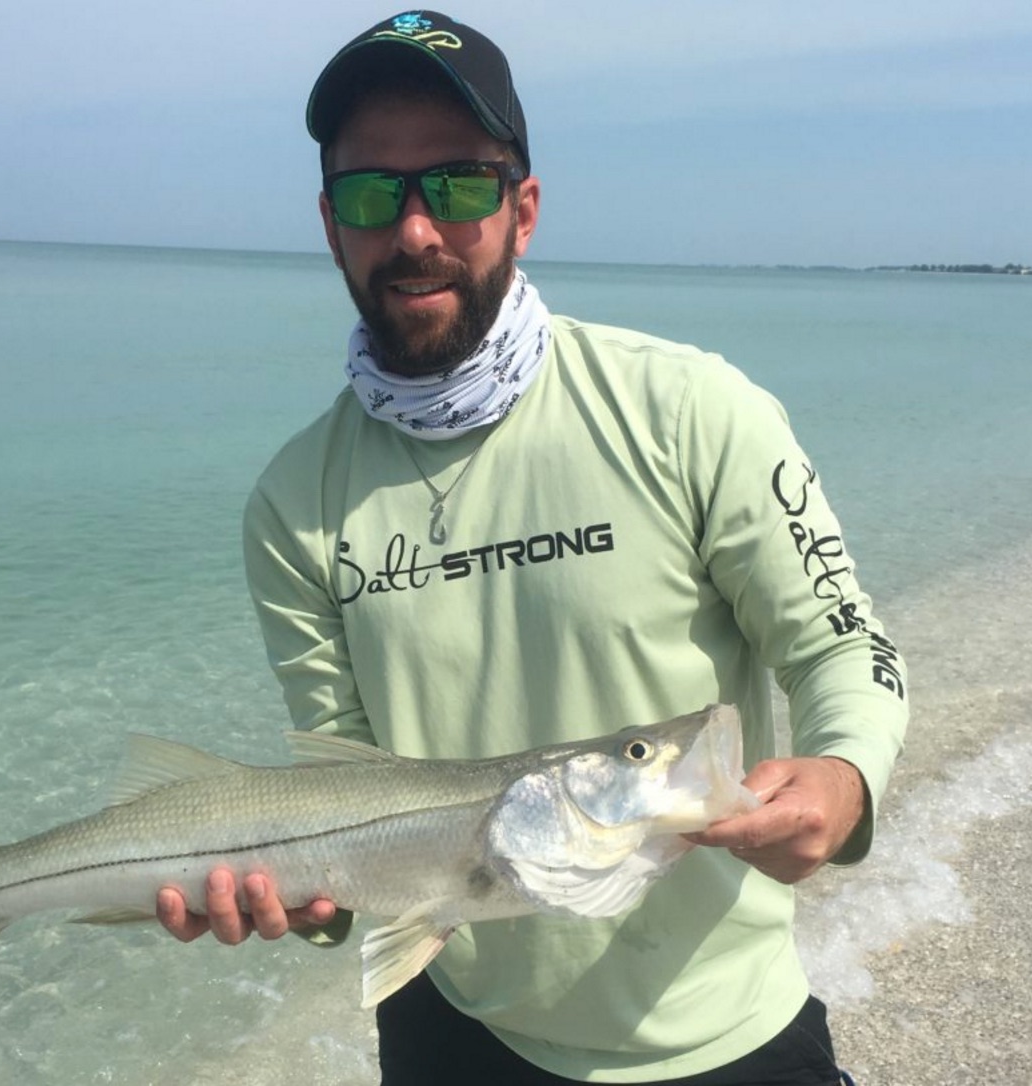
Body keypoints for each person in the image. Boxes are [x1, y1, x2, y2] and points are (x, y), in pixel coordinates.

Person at [157, 10, 907, 1084]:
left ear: (524, 209)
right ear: (331, 226)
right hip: (451, 1027)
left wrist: (841, 780)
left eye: (458, 186)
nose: (414, 231)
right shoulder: (293, 503)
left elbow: (841, 645)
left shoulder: (688, 408)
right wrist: (296, 900)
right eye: (374, 194)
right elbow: (344, 788)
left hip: (721, 1036)